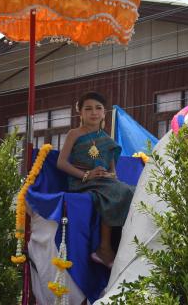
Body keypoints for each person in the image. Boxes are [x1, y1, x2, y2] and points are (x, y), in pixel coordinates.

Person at [57, 91, 135, 269]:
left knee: (132, 191)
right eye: (88, 108)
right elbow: (61, 163)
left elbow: (113, 172)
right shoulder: (74, 134)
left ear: (104, 113)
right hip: (81, 181)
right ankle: (104, 248)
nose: (94, 112)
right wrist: (87, 175)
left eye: (98, 108)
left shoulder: (107, 140)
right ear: (81, 113)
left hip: (104, 182)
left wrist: (107, 175)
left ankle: (122, 245)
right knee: (118, 191)